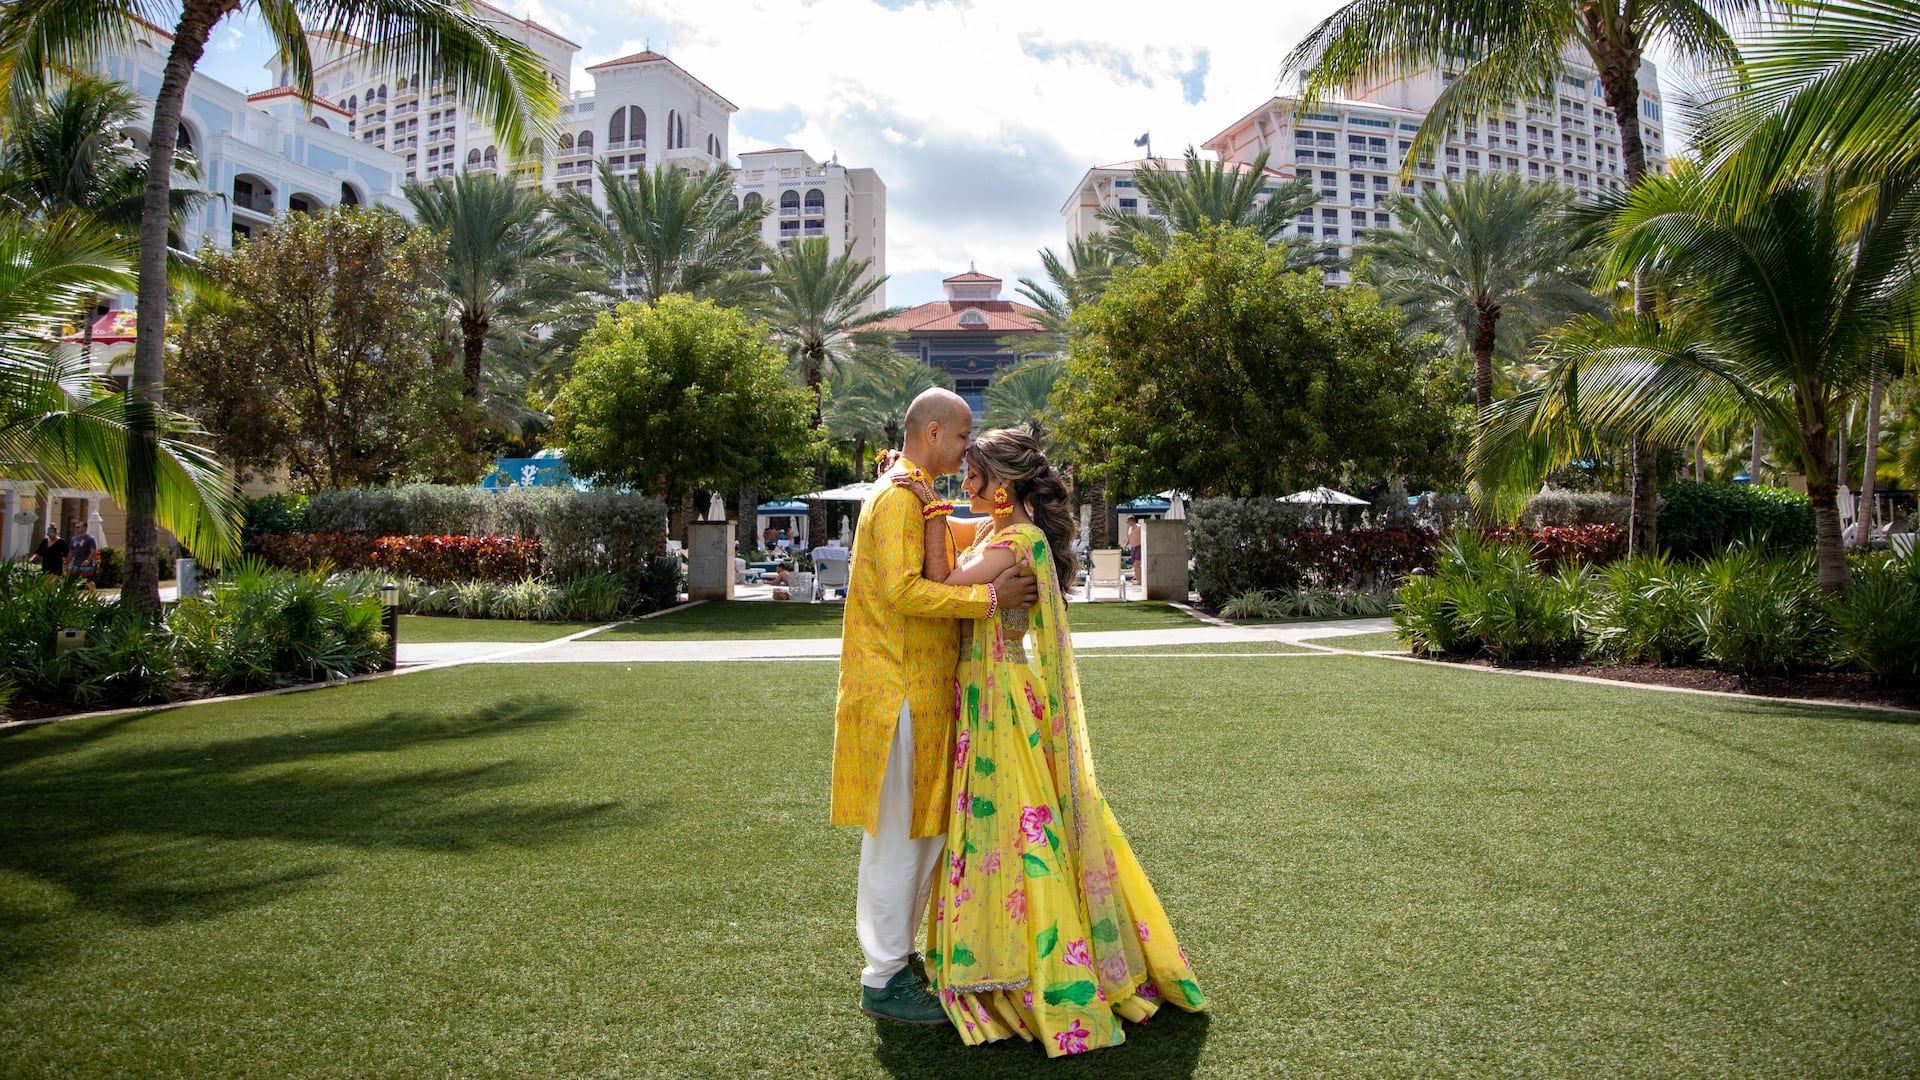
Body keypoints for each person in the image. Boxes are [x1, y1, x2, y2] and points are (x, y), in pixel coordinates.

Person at [893, 428, 1206, 1055]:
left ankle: (1036, 971)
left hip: (1001, 697)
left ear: (1002, 488)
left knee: (1019, 822)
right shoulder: (996, 532)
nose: (965, 486)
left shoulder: (1014, 539)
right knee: (1016, 820)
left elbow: (947, 584)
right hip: (990, 690)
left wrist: (928, 510)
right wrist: (929, 503)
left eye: (974, 478)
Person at [833, 389, 1039, 1026]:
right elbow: (902, 589)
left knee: (920, 836)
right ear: (931, 432)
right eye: (959, 438)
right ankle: (884, 973)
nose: (964, 450)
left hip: (918, 697)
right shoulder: (897, 497)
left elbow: (963, 541)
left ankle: (896, 960)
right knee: (899, 838)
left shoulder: (914, 495)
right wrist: (989, 600)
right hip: (895, 695)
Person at [66, 522, 99, 587]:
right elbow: (71, 552)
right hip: (76, 563)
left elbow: (93, 551)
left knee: (89, 581)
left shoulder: (90, 539)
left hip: (87, 564)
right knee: (71, 580)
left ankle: (92, 595)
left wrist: (88, 560)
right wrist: (67, 561)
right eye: (75, 527)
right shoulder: (74, 539)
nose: (76, 529)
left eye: (78, 527)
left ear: (84, 528)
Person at [1126, 516, 1143, 586]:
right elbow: (1129, 538)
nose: (1127, 523)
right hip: (1133, 548)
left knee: (1137, 564)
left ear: (1132, 521)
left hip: (1138, 546)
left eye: (1128, 521)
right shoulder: (1130, 529)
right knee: (1134, 565)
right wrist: (1125, 544)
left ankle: (1140, 580)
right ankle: (1138, 579)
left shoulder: (1139, 527)